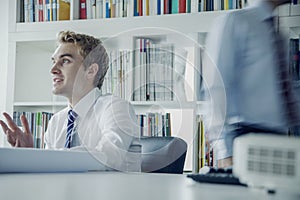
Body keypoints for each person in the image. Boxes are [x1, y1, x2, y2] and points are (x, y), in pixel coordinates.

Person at [0, 31, 141, 172]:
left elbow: (106, 157)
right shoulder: (56, 121)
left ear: (91, 71)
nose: (53, 69)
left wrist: (43, 158)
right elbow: (52, 175)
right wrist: (30, 157)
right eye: (54, 61)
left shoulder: (115, 108)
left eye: (65, 61)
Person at [203, 0, 300, 168]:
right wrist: (225, 150)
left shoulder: (279, 34)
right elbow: (217, 89)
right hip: (245, 139)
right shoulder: (235, 22)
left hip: (280, 141)